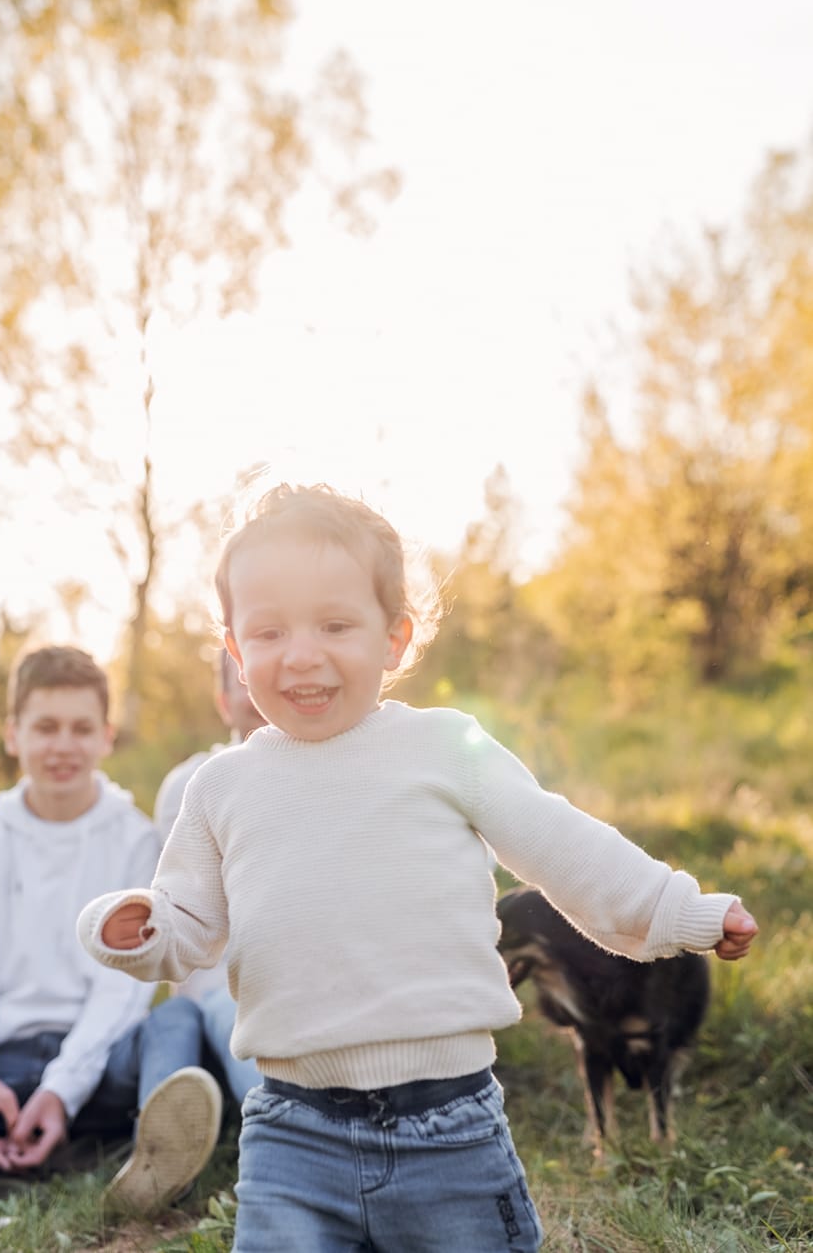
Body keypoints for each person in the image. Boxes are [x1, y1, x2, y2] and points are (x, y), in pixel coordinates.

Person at [78, 484, 759, 1253]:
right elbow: (188, 921)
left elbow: (565, 847)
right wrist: (140, 926)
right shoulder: (221, 787)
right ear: (236, 651)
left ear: (394, 638)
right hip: (292, 1133)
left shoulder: (444, 749)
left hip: (450, 1129)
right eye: (268, 632)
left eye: (335, 625)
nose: (300, 654)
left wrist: (678, 910)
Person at [0, 645, 223, 1251]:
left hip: (100, 1065)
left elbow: (121, 992)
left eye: (81, 729)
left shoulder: (134, 839)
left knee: (177, 1019)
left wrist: (61, 1090)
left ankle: (151, 1169)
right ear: (13, 734)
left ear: (106, 736)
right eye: (46, 727)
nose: (63, 745)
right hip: (0, 1068)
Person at [154, 648, 264, 1108]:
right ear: (223, 701)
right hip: (223, 983)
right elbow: (184, 914)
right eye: (245, 679)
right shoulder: (190, 786)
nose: (261, 689)